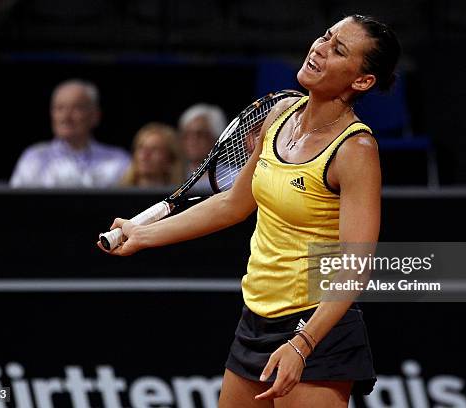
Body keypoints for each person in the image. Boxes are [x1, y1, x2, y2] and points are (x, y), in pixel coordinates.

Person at [99, 14, 400, 407]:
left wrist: (303, 344)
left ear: (362, 81)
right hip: (255, 319)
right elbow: (233, 204)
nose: (320, 49)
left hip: (315, 328)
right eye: (325, 37)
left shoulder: (355, 150)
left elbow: (355, 265)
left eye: (338, 50)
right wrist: (144, 235)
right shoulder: (280, 115)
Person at [10, 79, 130, 188]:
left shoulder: (118, 161)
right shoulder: (34, 159)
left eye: (76, 108)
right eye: (59, 108)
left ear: (95, 115)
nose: (66, 116)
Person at [120, 122, 183, 188]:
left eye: (154, 149)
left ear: (170, 160)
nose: (145, 154)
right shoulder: (117, 195)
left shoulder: (182, 196)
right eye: (141, 147)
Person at [178, 103, 227, 176]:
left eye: (199, 134)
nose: (192, 140)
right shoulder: (170, 177)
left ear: (216, 138)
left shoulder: (236, 178)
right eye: (187, 134)